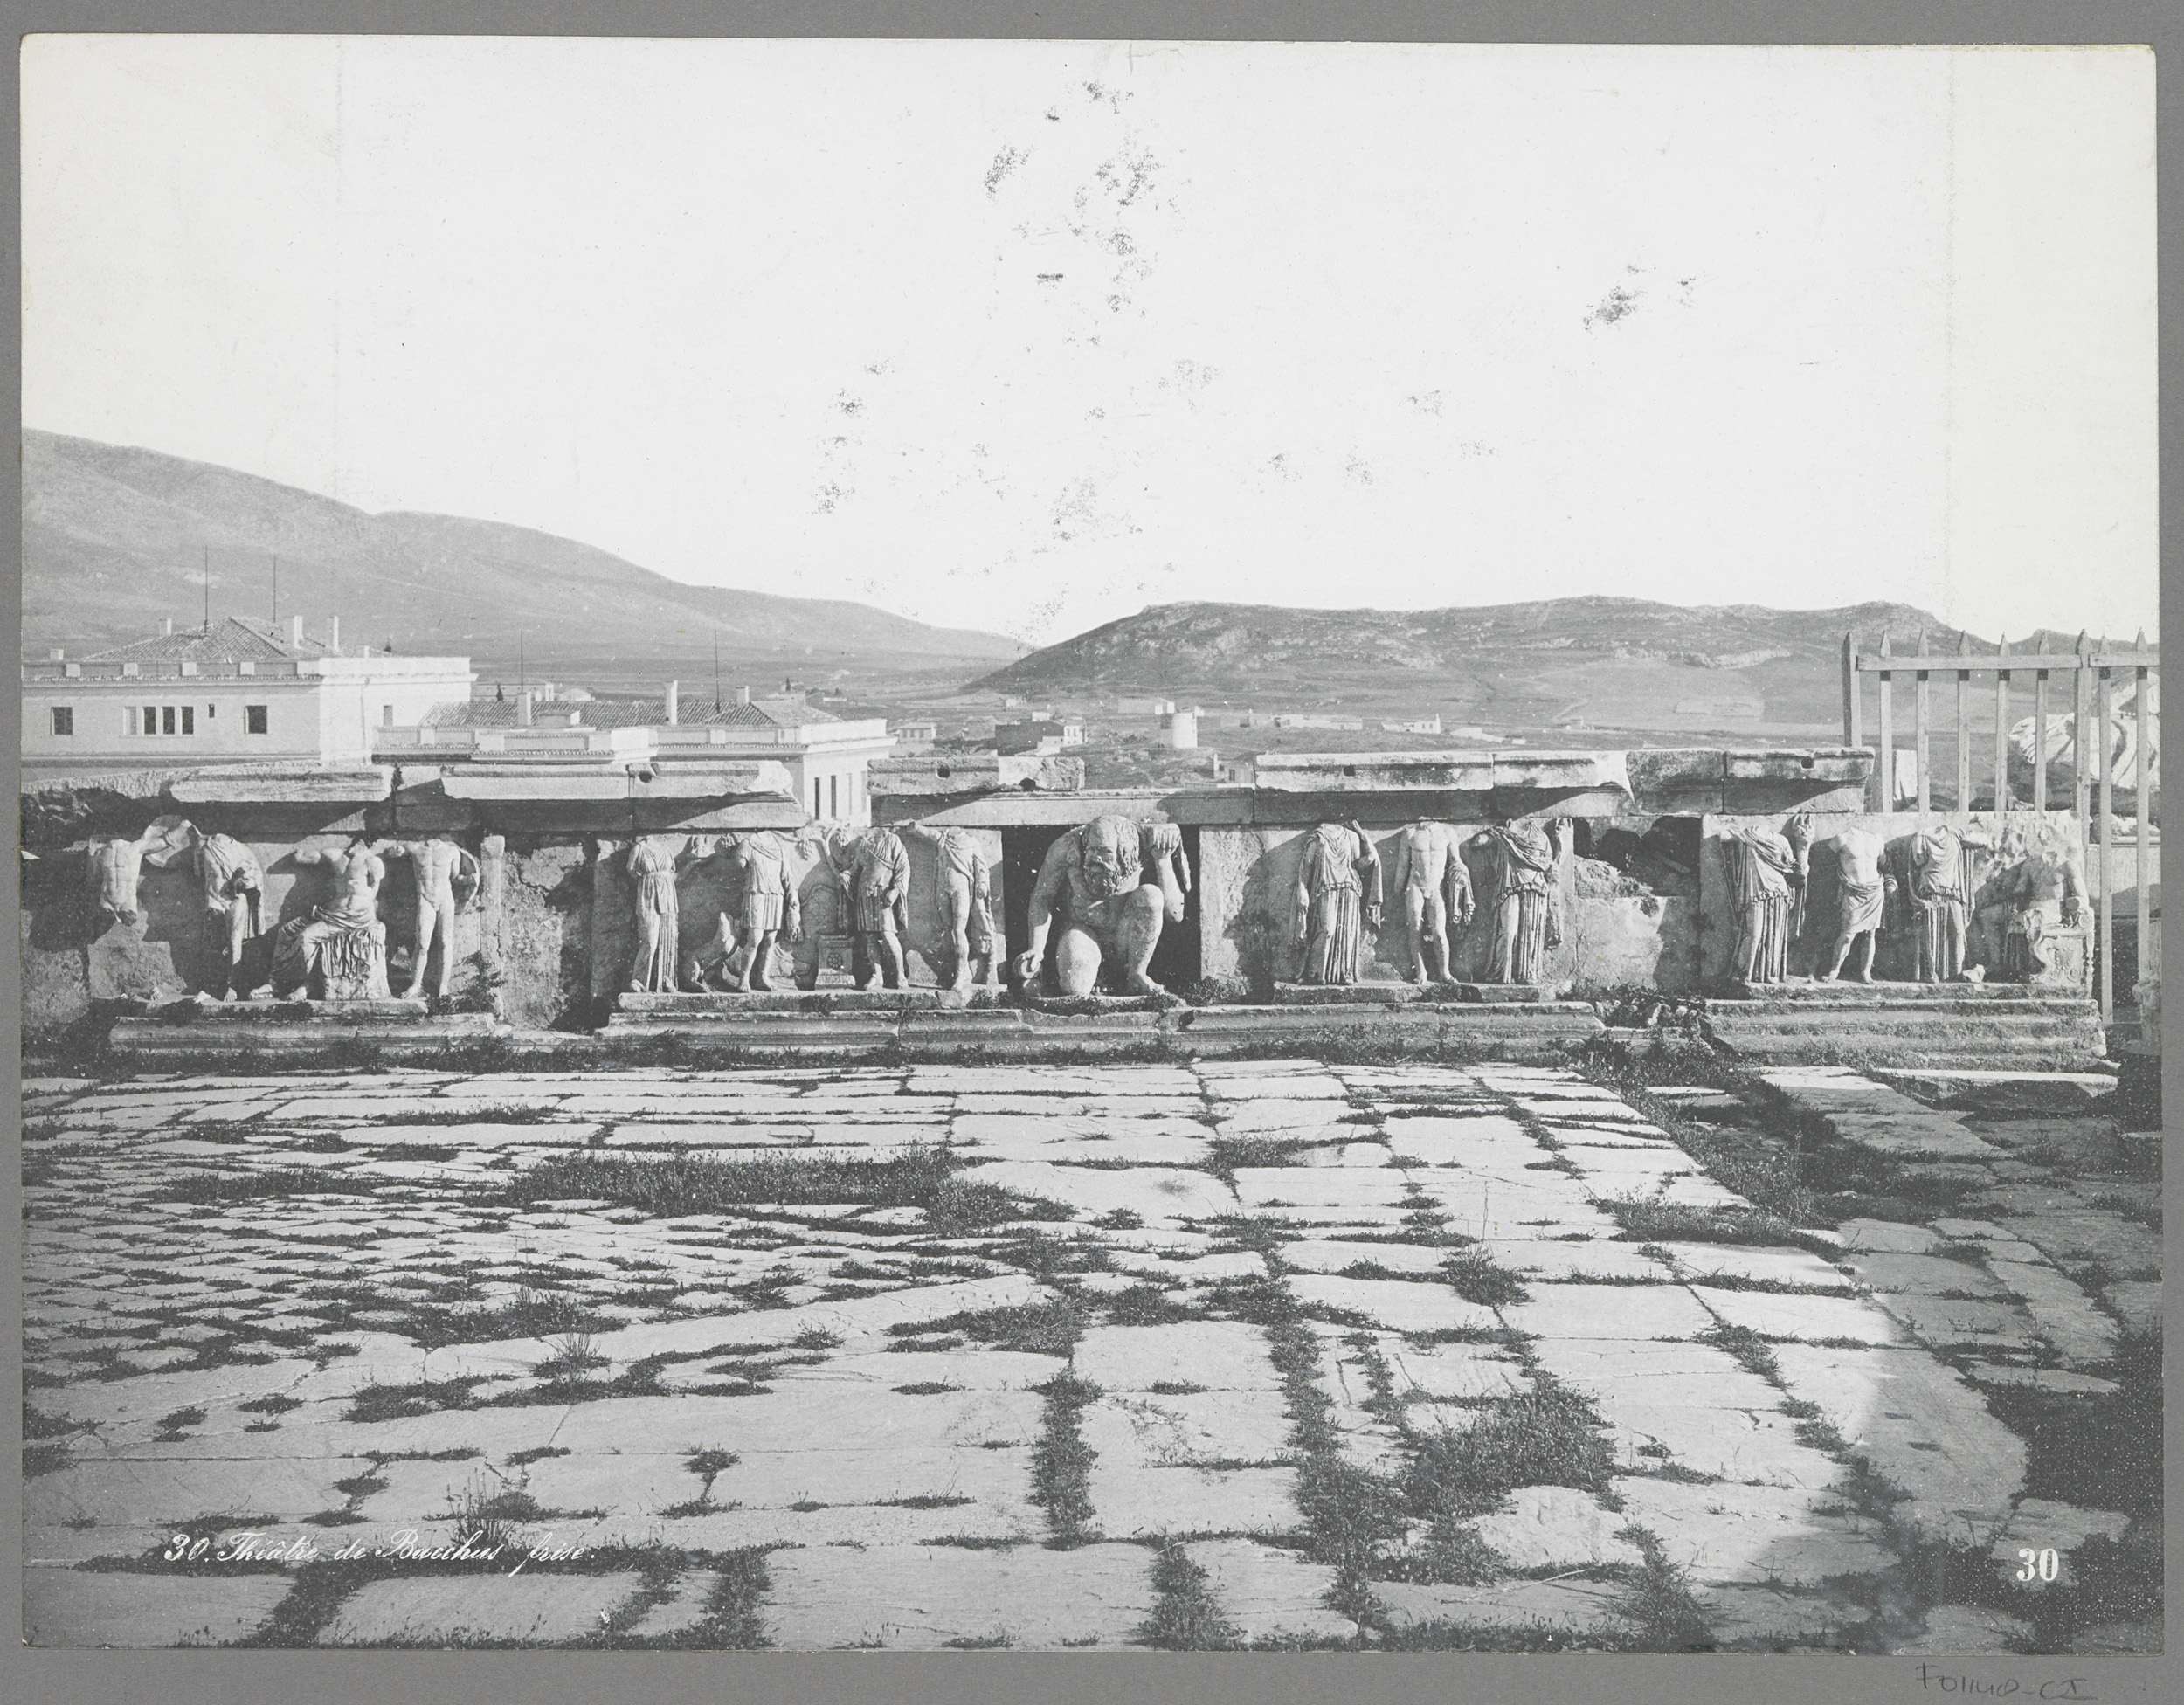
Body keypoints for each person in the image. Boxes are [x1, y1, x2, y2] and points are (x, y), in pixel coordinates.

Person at [270, 839, 390, 998]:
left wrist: (361, 909)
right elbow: (305, 857)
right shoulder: (334, 855)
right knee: (301, 936)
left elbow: (374, 890)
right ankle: (291, 983)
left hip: (359, 917)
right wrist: (299, 856)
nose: (361, 844)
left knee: (306, 936)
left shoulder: (372, 861)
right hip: (333, 915)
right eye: (359, 840)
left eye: (367, 840)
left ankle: (307, 986)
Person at [1295, 820, 1382, 984]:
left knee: (1348, 933)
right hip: (1326, 888)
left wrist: (1363, 836)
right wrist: (1302, 888)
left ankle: (1344, 973)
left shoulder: (1352, 836)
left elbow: (1365, 861)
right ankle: (1316, 973)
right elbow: (1306, 866)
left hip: (1349, 890)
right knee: (1326, 929)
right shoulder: (1319, 836)